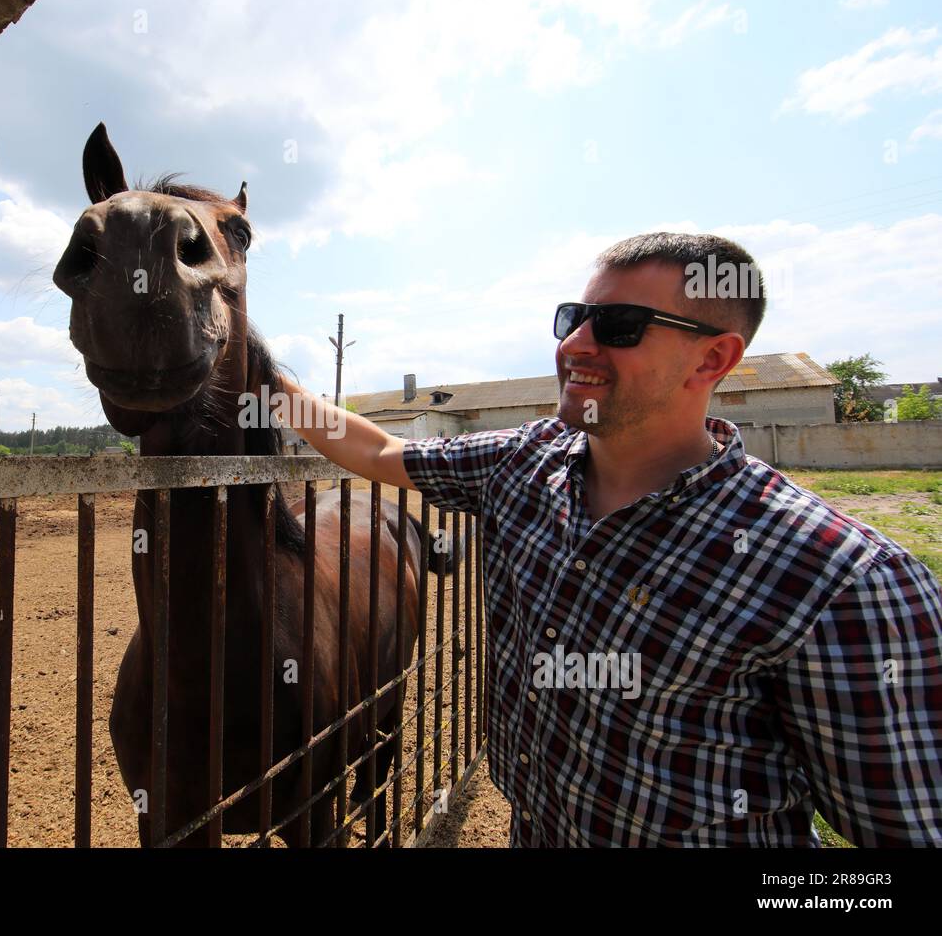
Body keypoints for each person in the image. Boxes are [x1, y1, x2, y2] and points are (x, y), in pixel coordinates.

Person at [272, 232, 942, 846]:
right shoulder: (525, 462)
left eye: (620, 327)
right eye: (573, 318)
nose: (574, 346)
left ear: (714, 358)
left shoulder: (843, 580)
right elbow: (384, 452)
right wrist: (267, 381)